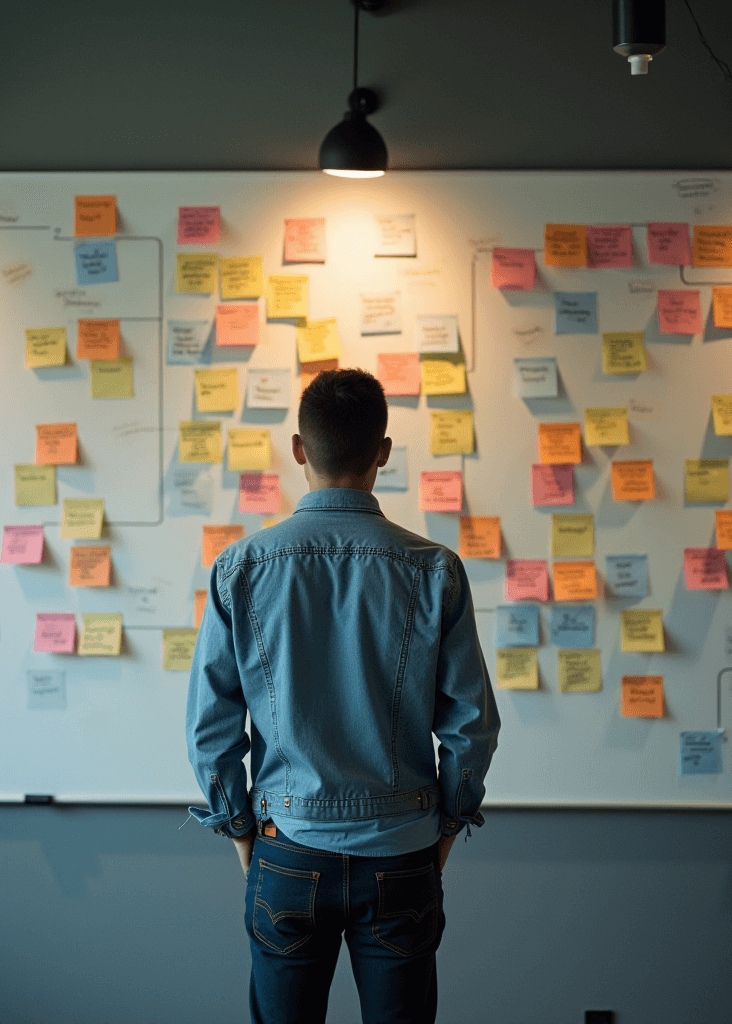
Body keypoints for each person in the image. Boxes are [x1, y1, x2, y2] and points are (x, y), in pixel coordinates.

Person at [186, 368, 500, 1024]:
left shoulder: (240, 569)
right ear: (383, 452)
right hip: (404, 850)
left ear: (299, 448)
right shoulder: (435, 568)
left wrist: (242, 834)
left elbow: (211, 729)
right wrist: (446, 826)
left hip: (286, 851)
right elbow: (472, 726)